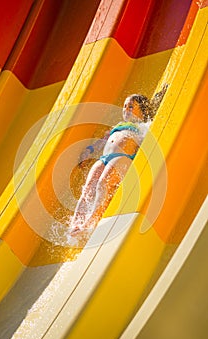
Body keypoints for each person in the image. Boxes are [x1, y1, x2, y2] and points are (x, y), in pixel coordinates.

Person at [69, 86, 168, 237]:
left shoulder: (142, 125)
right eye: (125, 106)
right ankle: (76, 223)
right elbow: (101, 142)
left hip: (123, 158)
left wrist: (159, 97)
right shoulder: (117, 126)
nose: (126, 109)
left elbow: (151, 130)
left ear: (142, 110)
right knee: (88, 187)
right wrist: (88, 151)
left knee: (103, 183)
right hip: (104, 158)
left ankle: (90, 222)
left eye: (131, 106)